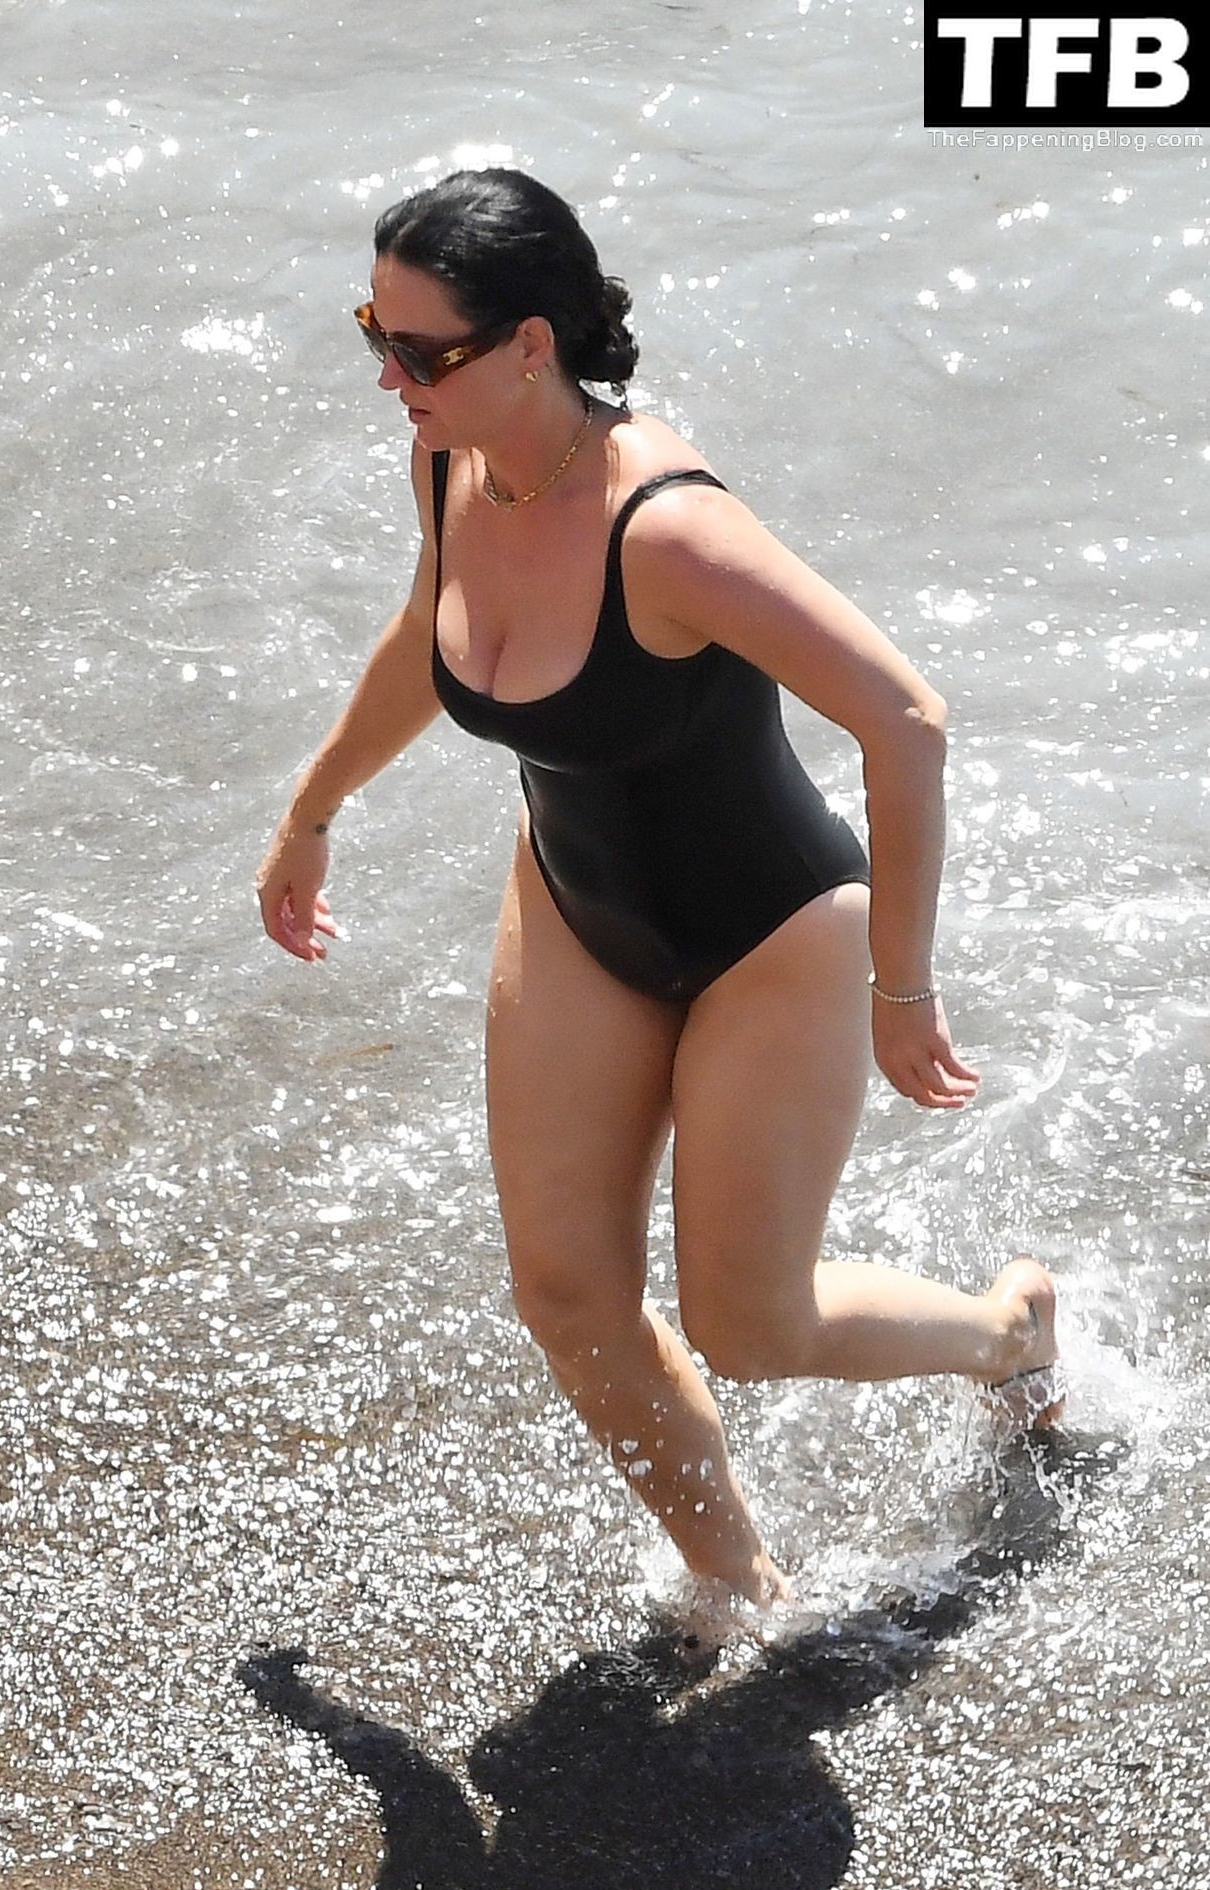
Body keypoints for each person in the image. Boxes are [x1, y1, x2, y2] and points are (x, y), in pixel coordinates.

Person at [255, 167, 1063, 1615]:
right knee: (567, 1294)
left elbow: (907, 720)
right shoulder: (453, 461)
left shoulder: (671, 531)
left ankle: (1008, 1332)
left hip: (772, 937)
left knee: (749, 1324)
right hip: (577, 906)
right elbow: (428, 623)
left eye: (419, 350)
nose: (387, 378)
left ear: (531, 344)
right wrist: (313, 808)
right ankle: (735, 1580)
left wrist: (903, 987)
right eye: (372, 334)